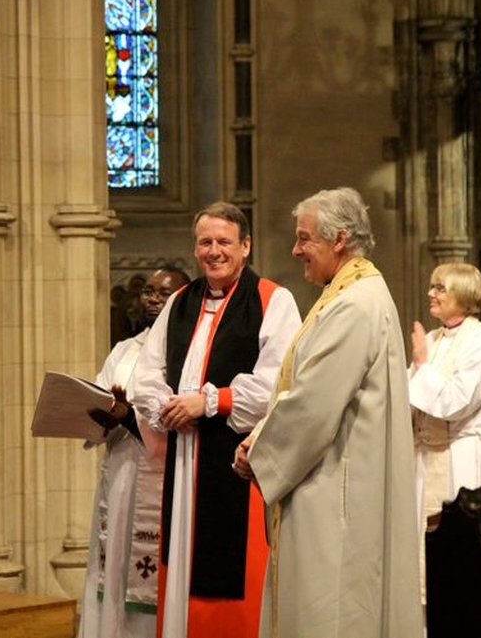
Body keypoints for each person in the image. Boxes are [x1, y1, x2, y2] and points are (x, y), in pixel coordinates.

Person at [233, 187, 424, 638]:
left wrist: (256, 449)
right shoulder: (352, 295)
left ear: (338, 239)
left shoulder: (353, 305)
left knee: (331, 612)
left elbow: (312, 405)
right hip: (335, 478)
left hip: (335, 491)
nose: (296, 249)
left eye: (304, 239)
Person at [131, 202, 302, 638]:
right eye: (205, 242)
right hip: (183, 460)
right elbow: (146, 375)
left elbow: (279, 383)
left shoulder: (272, 300)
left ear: (245, 245)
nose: (214, 251)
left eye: (224, 241)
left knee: (233, 576)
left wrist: (211, 403)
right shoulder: (179, 301)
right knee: (182, 568)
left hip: (235, 466)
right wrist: (166, 406)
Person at [78, 265, 190, 638]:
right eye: (148, 291)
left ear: (183, 298)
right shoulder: (125, 349)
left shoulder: (188, 352)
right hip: (119, 472)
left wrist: (130, 418)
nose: (153, 298)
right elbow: (99, 396)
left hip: (163, 477)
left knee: (151, 578)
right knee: (112, 570)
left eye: (164, 292)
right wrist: (98, 416)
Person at [409, 262, 481, 550]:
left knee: (465, 548)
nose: (431, 293)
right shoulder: (433, 339)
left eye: (440, 288)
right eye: (432, 286)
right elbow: (411, 394)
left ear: (464, 295)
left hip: (466, 457)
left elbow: (454, 402)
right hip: (430, 453)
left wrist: (421, 364)